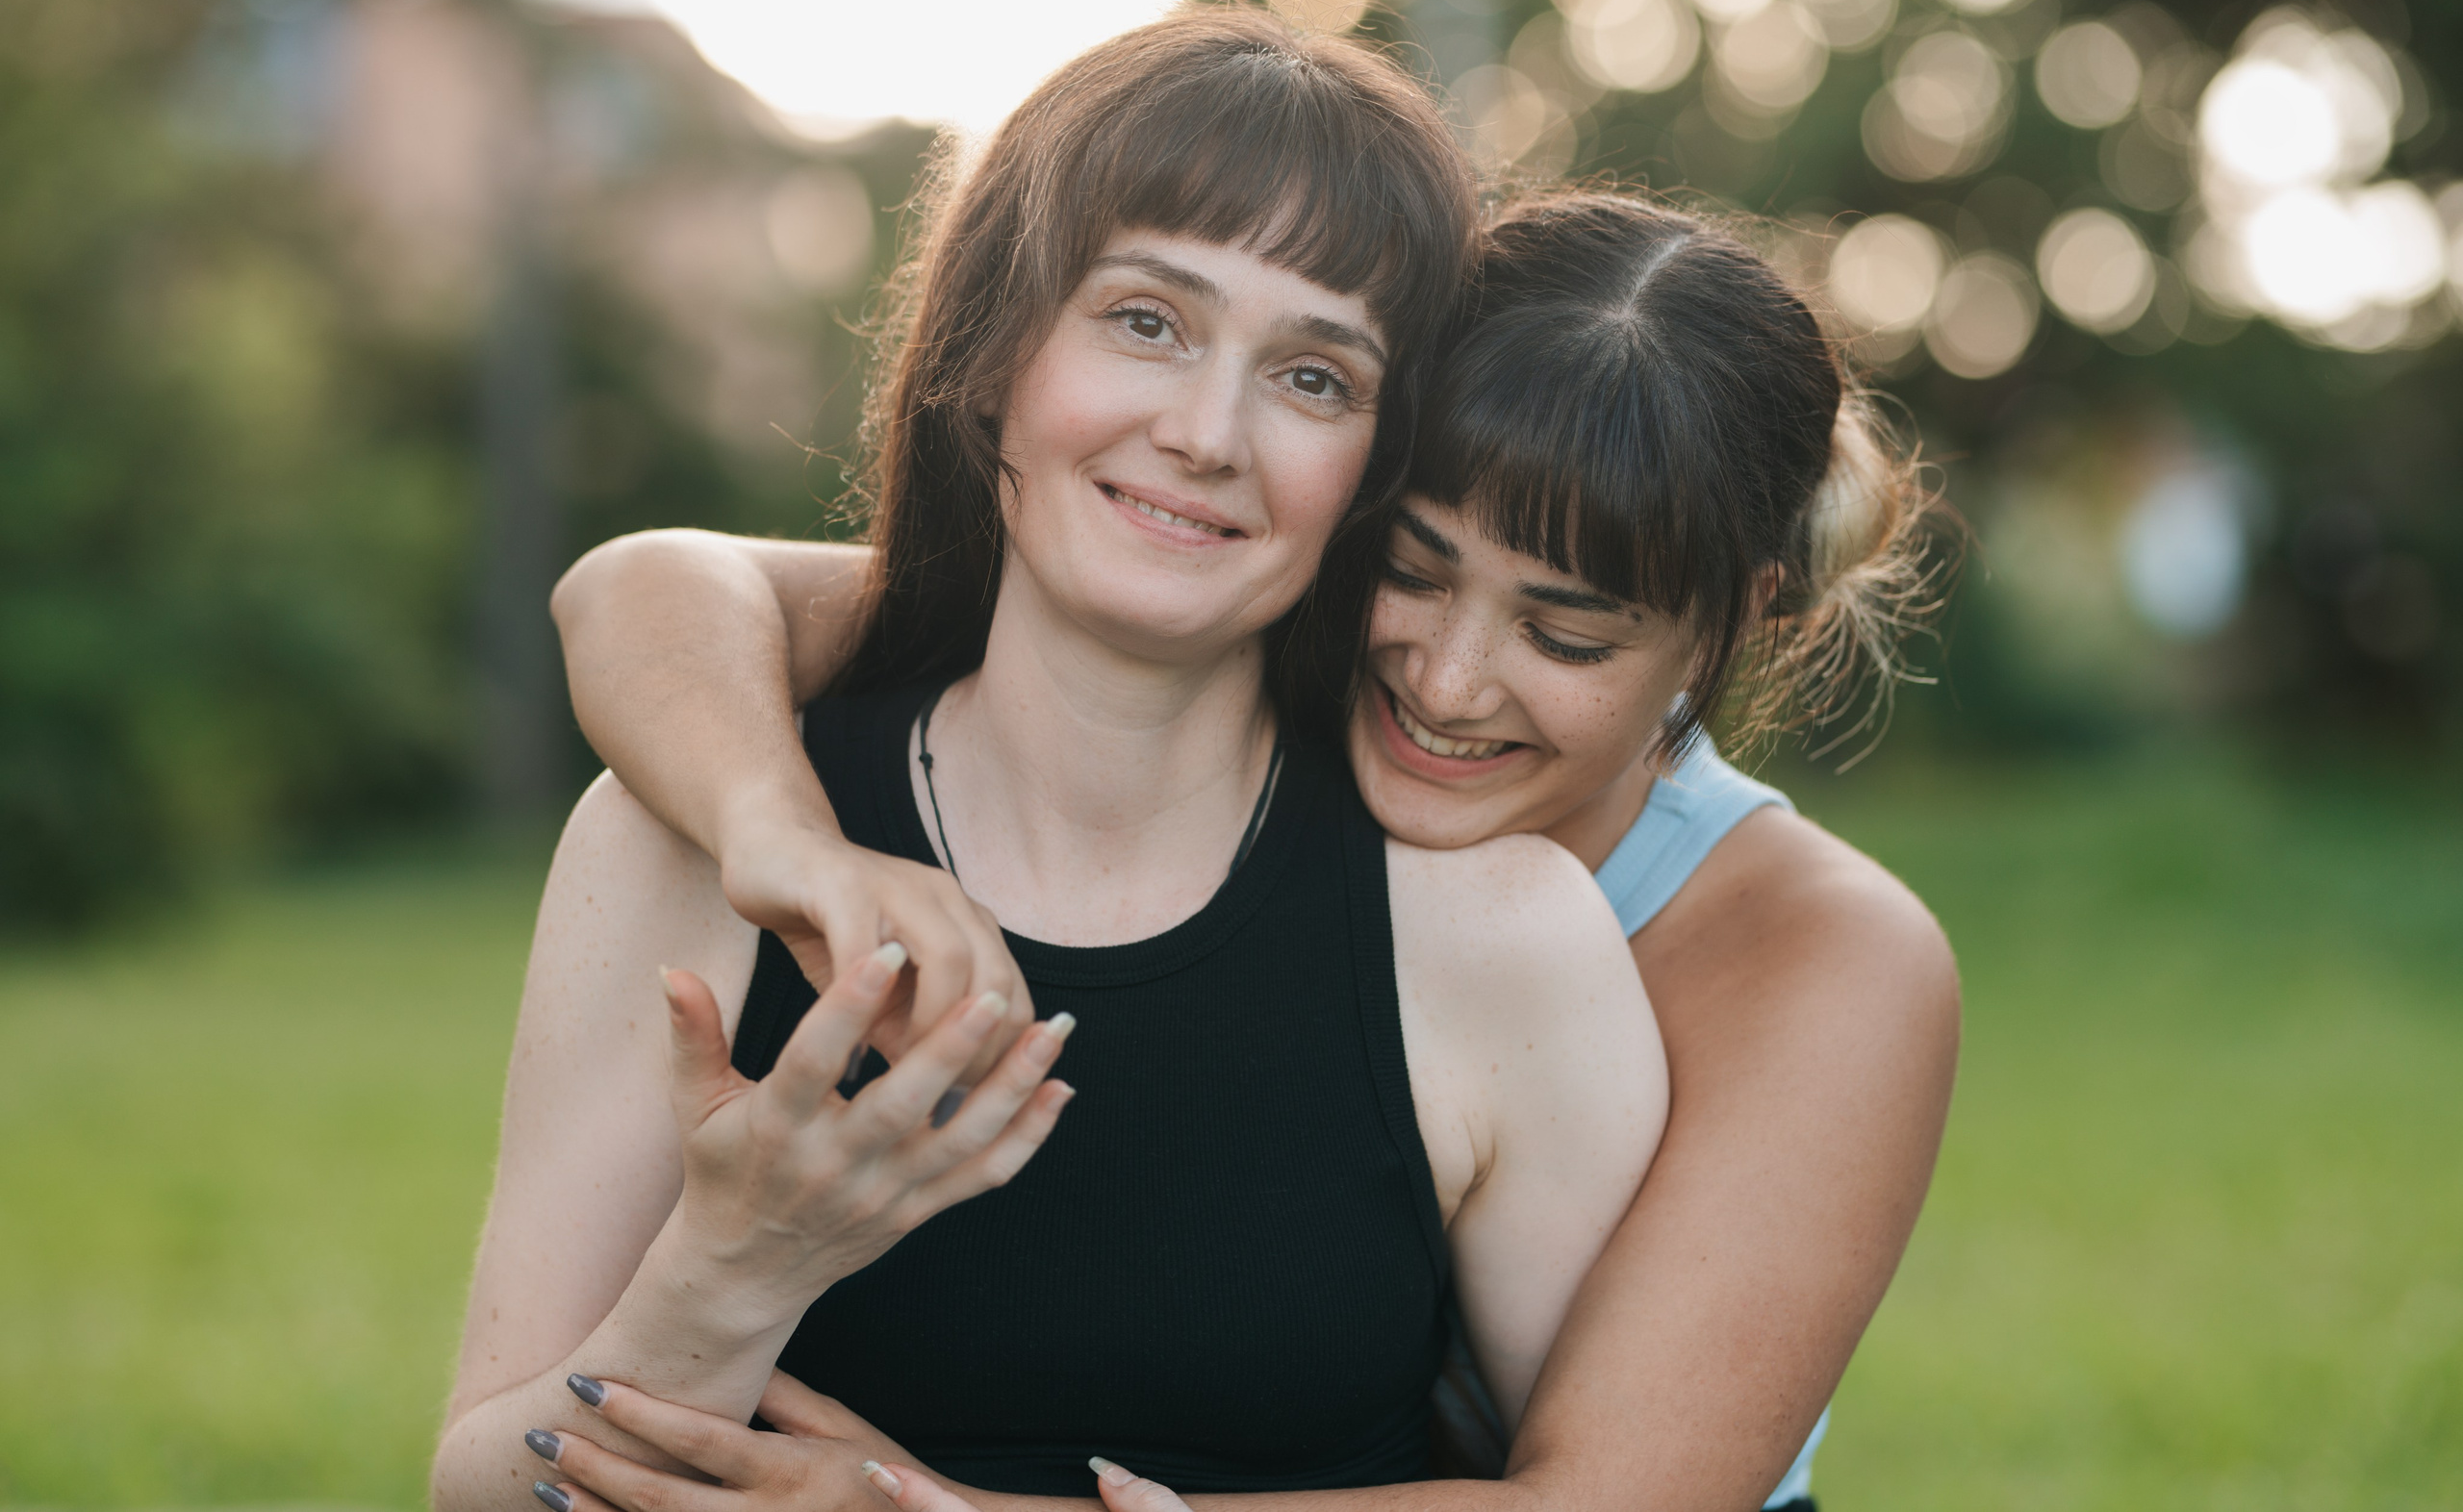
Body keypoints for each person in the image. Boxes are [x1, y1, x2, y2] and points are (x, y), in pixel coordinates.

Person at [534, 189, 1962, 1512]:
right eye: (1410, 568)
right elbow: (653, 588)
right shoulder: (1233, 654)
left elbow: (1619, 1500)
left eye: (1566, 634)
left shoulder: (1825, 954)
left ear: (1739, 620)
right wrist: (784, 841)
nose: (1450, 682)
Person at [432, 9, 1668, 1511]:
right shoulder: (673, 845)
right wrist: (729, 1276)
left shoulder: (1504, 944)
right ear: (992, 351)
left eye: (1314, 378)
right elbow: (482, 1495)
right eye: (1146, 320)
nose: (1208, 433)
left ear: (1374, 473)